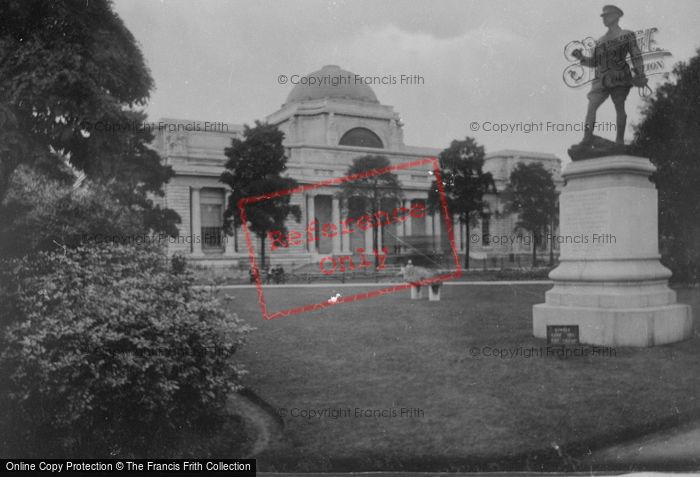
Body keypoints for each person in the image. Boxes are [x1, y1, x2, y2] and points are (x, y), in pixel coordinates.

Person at [572, 5, 647, 145]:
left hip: (620, 76)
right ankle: (587, 138)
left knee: (619, 106)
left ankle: (619, 141)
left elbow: (636, 55)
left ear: (617, 16)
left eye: (608, 15)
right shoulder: (600, 40)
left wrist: (641, 74)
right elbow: (594, 62)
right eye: (603, 16)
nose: (604, 18)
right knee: (592, 107)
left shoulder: (626, 34)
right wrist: (581, 57)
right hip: (600, 79)